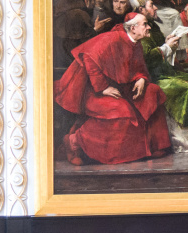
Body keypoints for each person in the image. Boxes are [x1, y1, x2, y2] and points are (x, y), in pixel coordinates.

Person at [54, 13, 170, 165]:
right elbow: (88, 57)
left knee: (153, 92)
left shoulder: (136, 43)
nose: (148, 27)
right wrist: (103, 88)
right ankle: (74, 141)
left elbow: (138, 68)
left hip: (120, 88)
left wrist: (141, 78)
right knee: (122, 111)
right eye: (145, 24)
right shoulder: (113, 38)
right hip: (92, 91)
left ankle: (152, 146)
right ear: (133, 28)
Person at [136, 5, 188, 153]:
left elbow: (159, 50)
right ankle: (186, 142)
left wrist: (167, 43)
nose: (156, 8)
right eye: (151, 6)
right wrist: (166, 47)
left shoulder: (153, 27)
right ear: (142, 10)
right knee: (186, 90)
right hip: (152, 77)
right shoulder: (139, 33)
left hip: (165, 71)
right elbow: (146, 59)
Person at [53, 0, 113, 67]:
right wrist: (96, 29)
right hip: (71, 62)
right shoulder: (80, 14)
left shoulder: (63, 9)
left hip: (57, 59)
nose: (93, 4)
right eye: (93, 0)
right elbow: (82, 44)